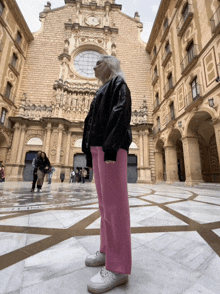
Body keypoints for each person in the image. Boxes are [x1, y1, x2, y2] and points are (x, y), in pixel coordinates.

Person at [82, 55, 132, 293]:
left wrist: (110, 148)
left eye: (99, 62)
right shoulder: (102, 89)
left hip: (110, 147)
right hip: (99, 147)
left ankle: (119, 267)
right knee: (104, 206)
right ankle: (106, 251)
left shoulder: (118, 84)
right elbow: (90, 122)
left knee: (115, 207)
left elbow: (120, 114)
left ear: (110, 65)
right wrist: (88, 150)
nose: (94, 66)